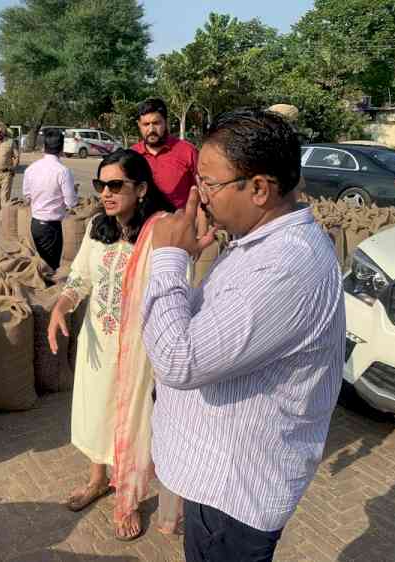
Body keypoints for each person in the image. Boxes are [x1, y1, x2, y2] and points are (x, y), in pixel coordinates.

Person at [142, 110, 345, 561]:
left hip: (234, 493)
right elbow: (206, 328)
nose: (200, 196)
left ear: (258, 189)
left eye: (209, 185)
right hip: (221, 477)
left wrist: (170, 259)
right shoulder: (255, 243)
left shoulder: (285, 266)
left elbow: (179, 360)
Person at [47, 149, 181, 541]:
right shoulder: (96, 228)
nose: (106, 193)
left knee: (132, 419)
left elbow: (174, 289)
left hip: (139, 349)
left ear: (141, 189)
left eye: (115, 185)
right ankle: (97, 479)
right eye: (100, 184)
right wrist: (62, 307)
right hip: (96, 341)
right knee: (95, 413)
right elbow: (80, 277)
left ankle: (129, 496)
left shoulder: (161, 231)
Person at [22, 129, 78, 270]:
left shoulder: (31, 169)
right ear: (61, 148)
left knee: (41, 264)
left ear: (44, 147)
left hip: (35, 224)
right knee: (50, 268)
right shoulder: (63, 171)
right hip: (51, 227)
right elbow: (71, 202)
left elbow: (27, 196)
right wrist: (73, 192)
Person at [131, 98, 198, 209]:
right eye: (146, 124)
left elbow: (203, 189)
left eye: (156, 123)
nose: (151, 129)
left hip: (180, 222)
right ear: (139, 125)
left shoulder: (188, 151)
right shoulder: (132, 155)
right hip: (142, 224)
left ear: (166, 122)